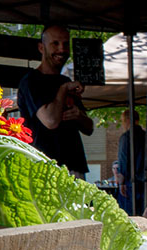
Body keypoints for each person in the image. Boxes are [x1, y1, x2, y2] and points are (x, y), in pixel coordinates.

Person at [16, 25, 93, 178]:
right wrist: (63, 89)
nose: (61, 49)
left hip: (74, 168)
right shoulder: (31, 81)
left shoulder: (66, 80)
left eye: (65, 44)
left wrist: (78, 115)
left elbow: (89, 128)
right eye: (55, 44)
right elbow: (50, 120)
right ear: (41, 48)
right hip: (44, 168)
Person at [116, 109, 147, 215]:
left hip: (130, 183)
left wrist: (122, 183)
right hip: (145, 183)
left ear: (128, 120)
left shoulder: (126, 137)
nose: (123, 124)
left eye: (123, 121)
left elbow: (123, 161)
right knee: (145, 215)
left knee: (129, 218)